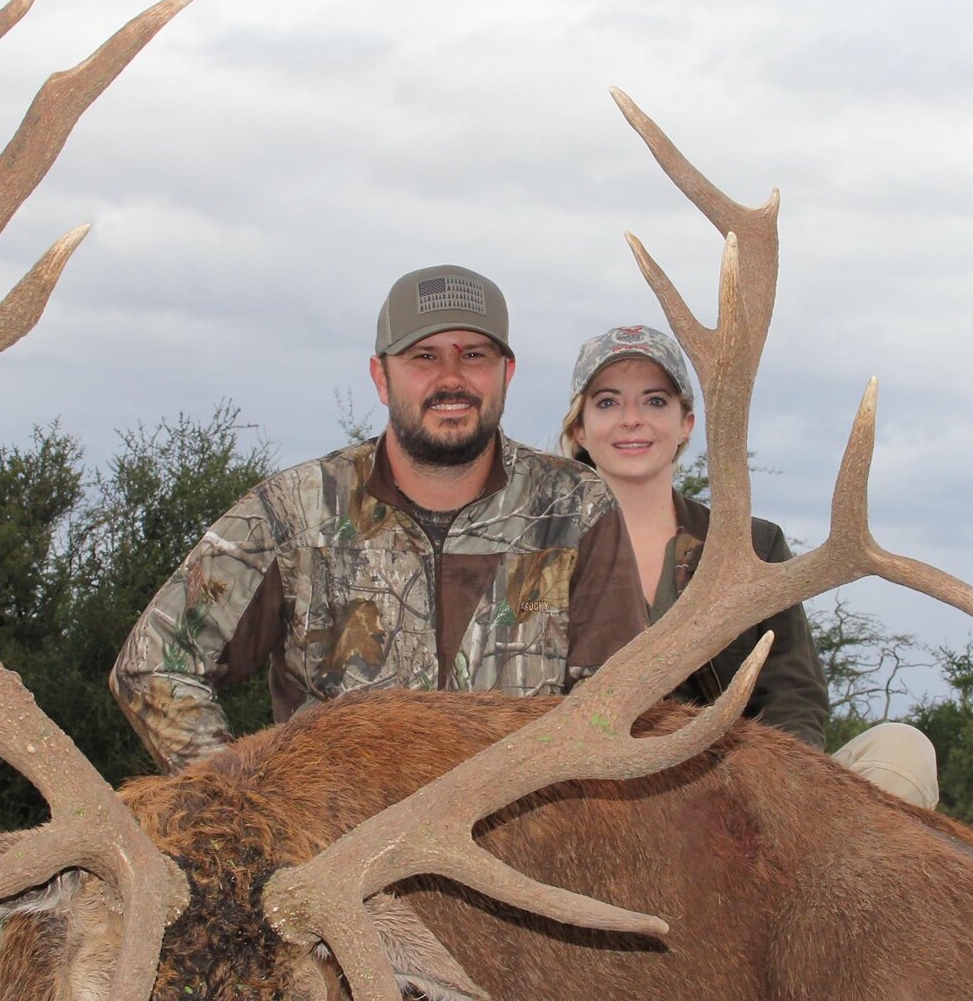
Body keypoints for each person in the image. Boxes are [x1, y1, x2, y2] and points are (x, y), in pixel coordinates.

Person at [112, 266, 649, 773]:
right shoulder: (293, 510)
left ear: (506, 373)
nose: (452, 379)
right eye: (423, 357)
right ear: (381, 377)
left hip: (516, 855)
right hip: (340, 858)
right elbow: (153, 663)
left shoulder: (576, 508)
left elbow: (624, 704)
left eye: (475, 356)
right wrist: (241, 801)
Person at [560, 324, 943, 809]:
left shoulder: (753, 543)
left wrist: (771, 792)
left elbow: (793, 693)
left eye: (655, 401)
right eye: (608, 403)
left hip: (734, 793)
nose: (631, 419)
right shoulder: (537, 551)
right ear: (580, 428)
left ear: (686, 424)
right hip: (589, 801)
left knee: (901, 751)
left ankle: (795, 871)